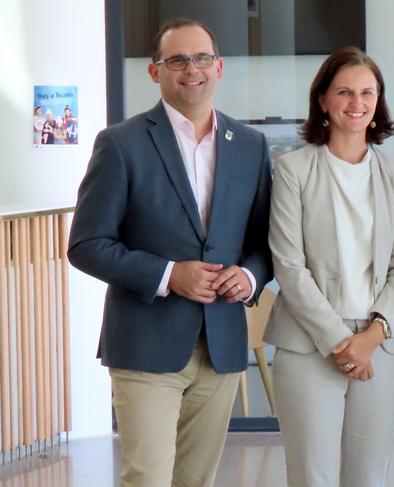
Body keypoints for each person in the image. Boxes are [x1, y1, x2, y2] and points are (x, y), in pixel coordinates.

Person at [68, 18, 273, 487]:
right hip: (145, 342)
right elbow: (86, 245)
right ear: (154, 71)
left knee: (196, 480)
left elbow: (264, 242)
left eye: (201, 58)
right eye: (177, 59)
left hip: (220, 344)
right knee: (147, 478)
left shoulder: (249, 145)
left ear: (219, 67)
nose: (191, 69)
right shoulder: (120, 143)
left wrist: (250, 277)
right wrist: (167, 275)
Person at [264, 46, 394, 487]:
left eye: (368, 92)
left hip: (379, 344)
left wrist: (371, 336)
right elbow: (288, 266)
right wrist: (340, 342)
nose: (357, 102)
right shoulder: (293, 169)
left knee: (369, 476)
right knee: (314, 476)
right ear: (324, 100)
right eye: (345, 91)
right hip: (309, 343)